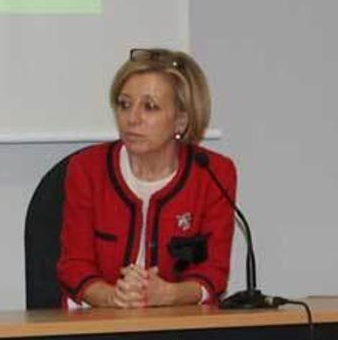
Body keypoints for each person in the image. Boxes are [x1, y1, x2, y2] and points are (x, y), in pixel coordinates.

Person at [57, 48, 236, 308]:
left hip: (180, 326)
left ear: (181, 121)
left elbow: (214, 273)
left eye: (150, 107)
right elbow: (73, 266)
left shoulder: (213, 173)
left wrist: (168, 295)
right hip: (97, 323)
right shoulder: (87, 169)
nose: (132, 119)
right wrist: (112, 297)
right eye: (124, 104)